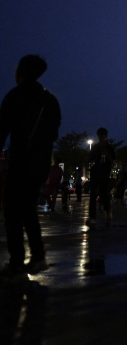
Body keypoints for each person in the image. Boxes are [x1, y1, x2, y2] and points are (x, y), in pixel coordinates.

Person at [0, 55, 62, 281]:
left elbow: (2, 129)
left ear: (22, 71)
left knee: (12, 210)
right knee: (27, 208)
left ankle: (17, 262)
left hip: (21, 160)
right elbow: (53, 133)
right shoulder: (50, 99)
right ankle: (37, 256)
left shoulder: (15, 96)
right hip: (41, 163)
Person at [87, 127, 115, 224]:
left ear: (106, 136)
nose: (100, 138)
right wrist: (93, 153)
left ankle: (107, 210)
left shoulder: (109, 147)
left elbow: (112, 161)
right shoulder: (95, 147)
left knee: (103, 193)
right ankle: (92, 217)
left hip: (105, 172)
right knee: (93, 194)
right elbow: (89, 159)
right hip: (95, 171)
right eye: (99, 136)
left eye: (102, 136)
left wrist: (106, 154)